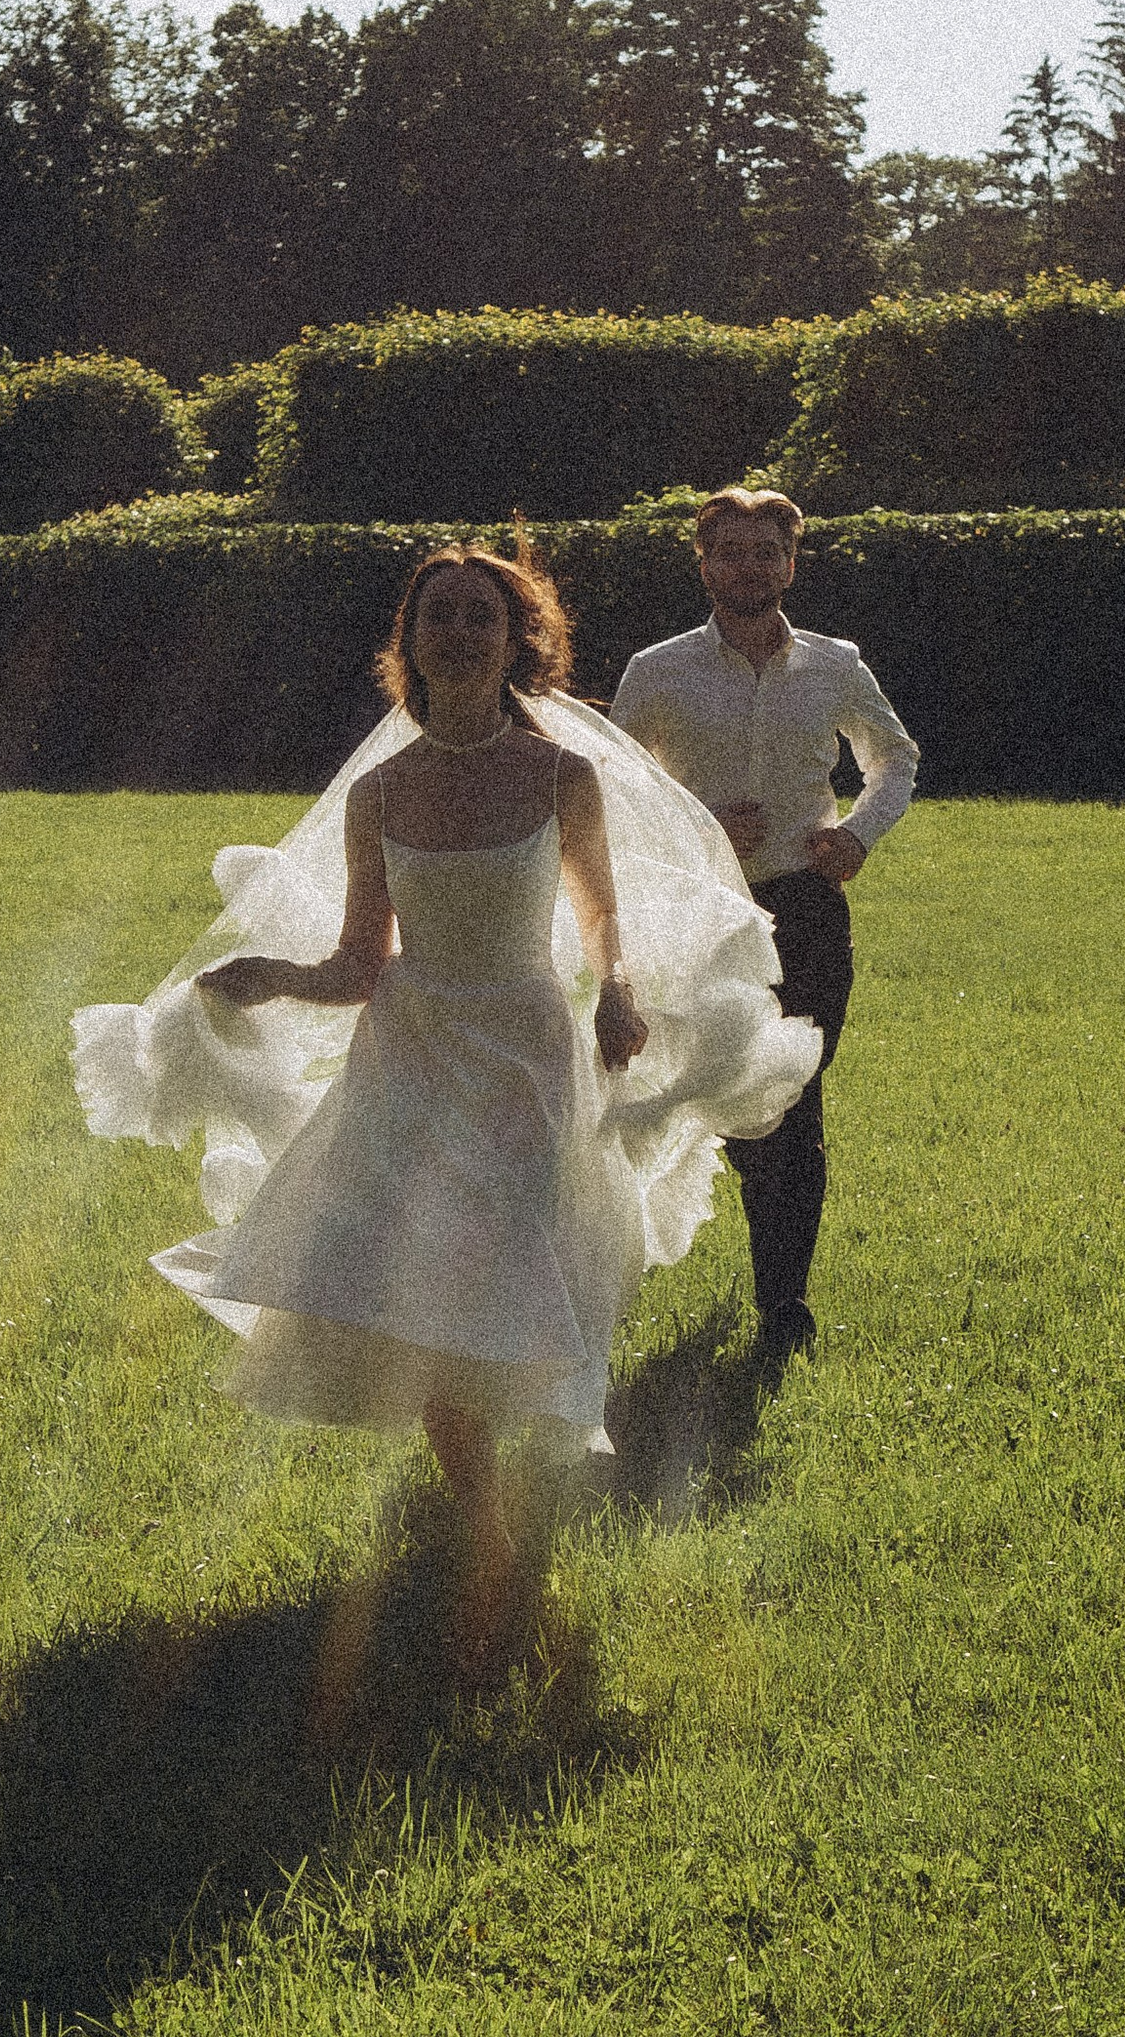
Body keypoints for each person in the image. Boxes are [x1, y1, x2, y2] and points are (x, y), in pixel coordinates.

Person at [69, 541, 821, 1666]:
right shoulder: (379, 793)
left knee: (507, 1268)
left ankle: (501, 1492)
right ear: (409, 644)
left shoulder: (558, 777)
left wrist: (616, 993)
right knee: (417, 1283)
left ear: (519, 639)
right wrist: (263, 978)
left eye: (481, 617)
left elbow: (605, 919)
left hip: (521, 1055)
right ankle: (485, 1519)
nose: (459, 635)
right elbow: (356, 964)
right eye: (440, 618)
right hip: (409, 1056)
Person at [611, 488, 918, 1364]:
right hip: (703, 918)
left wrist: (858, 833)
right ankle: (743, 1242)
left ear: (792, 562)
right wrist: (702, 823)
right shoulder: (657, 670)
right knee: (739, 1108)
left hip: (807, 908)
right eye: (732, 551)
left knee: (796, 1103)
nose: (750, 566)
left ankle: (785, 1307)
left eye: (767, 552)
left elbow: (894, 758)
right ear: (703, 561)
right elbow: (611, 788)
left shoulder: (835, 663)